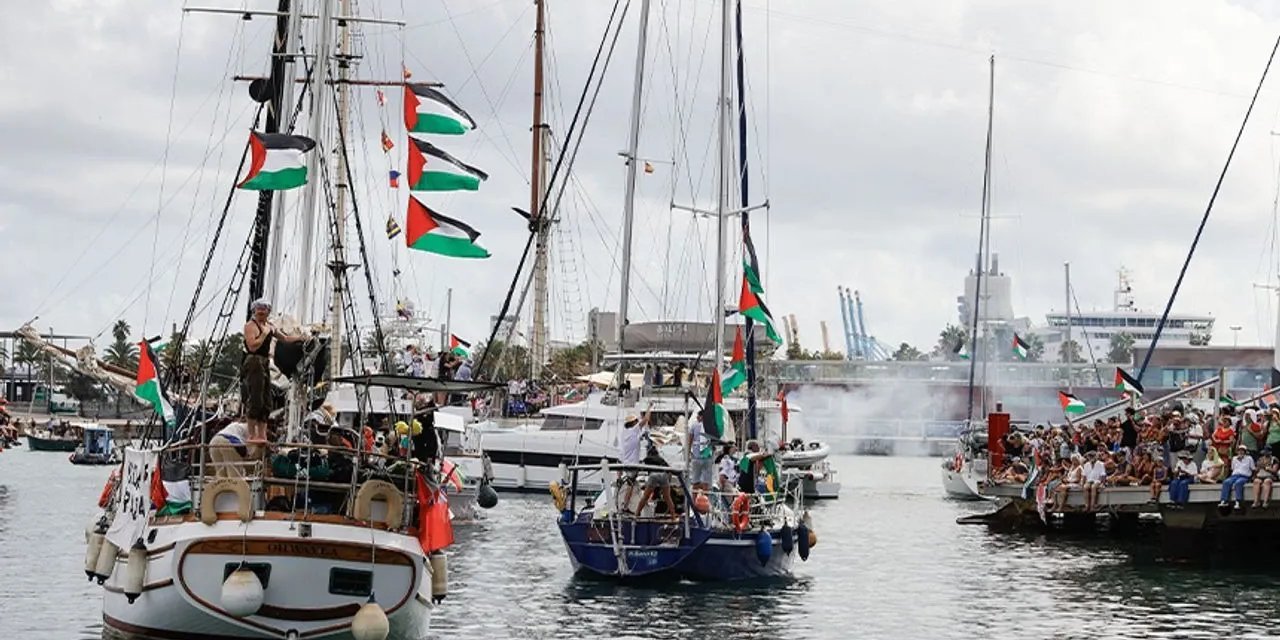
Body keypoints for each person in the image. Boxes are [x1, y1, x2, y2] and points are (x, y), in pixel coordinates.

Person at [242, 298, 304, 451]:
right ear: (254, 310)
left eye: (264, 309)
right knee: (255, 397)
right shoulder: (250, 326)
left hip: (264, 362)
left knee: (265, 400)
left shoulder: (270, 326)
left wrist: (301, 338)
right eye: (259, 309)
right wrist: (264, 335)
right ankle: (251, 434)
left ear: (268, 311)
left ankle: (262, 434)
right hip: (254, 360)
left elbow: (285, 338)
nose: (262, 312)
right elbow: (253, 346)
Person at [1219, 445, 1257, 509]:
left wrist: (1252, 477)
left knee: (1238, 483)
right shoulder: (1234, 458)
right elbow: (1233, 468)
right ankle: (1224, 501)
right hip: (1234, 475)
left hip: (1244, 476)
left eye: (1242, 451)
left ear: (1245, 452)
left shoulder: (1249, 458)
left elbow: (1253, 469)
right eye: (1239, 450)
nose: (1240, 452)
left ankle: (1238, 501)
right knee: (1226, 482)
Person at [685, 412, 714, 493]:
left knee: (695, 480)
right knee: (706, 482)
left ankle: (694, 501)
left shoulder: (694, 426)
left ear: (701, 417)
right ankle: (705, 500)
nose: (697, 417)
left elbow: (690, 440)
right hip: (707, 456)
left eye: (698, 415)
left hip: (696, 456)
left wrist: (688, 454)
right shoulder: (710, 427)